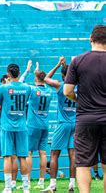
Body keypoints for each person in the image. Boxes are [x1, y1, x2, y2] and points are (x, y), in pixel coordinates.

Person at [64, 25, 106, 193]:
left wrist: (78, 99)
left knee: (83, 164)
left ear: (91, 39)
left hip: (86, 119)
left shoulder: (77, 60)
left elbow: (67, 91)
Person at [0, 64, 31, 193]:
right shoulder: (27, 88)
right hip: (21, 126)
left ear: (8, 73)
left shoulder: (3, 87)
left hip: (7, 126)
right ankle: (26, 188)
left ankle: (8, 187)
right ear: (19, 73)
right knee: (22, 157)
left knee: (7, 157)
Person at [42, 56, 76, 192]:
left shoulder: (60, 86)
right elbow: (69, 76)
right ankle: (72, 184)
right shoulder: (78, 87)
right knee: (73, 155)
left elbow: (45, 78)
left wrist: (58, 65)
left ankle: (53, 184)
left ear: (62, 76)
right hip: (75, 123)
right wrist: (66, 66)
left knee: (54, 154)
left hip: (63, 123)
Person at [20, 62, 53, 189]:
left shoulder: (32, 89)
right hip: (45, 125)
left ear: (35, 79)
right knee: (43, 153)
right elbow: (43, 81)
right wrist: (38, 72)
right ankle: (41, 180)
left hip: (33, 125)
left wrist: (28, 70)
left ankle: (27, 181)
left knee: (29, 153)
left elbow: (21, 83)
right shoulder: (49, 91)